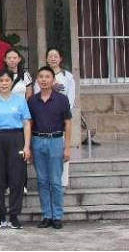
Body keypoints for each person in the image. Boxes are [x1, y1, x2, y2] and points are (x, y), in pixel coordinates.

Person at [0, 69, 32, 230]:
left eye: (7, 80)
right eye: (1, 80)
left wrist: (26, 146)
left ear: (12, 82)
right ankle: (0, 215)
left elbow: (26, 124)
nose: (4, 83)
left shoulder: (20, 101)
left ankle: (14, 215)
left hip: (16, 138)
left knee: (17, 177)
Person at [28, 66, 73, 230]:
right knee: (42, 181)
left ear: (53, 80)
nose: (44, 80)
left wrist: (67, 147)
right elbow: (29, 124)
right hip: (38, 141)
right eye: (41, 76)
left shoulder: (62, 99)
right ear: (37, 80)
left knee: (55, 181)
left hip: (55, 141)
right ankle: (47, 215)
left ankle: (57, 216)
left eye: (47, 77)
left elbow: (68, 124)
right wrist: (29, 147)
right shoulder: (32, 101)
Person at [47, 48, 76, 188]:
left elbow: (71, 97)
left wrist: (64, 113)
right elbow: (37, 93)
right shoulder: (43, 75)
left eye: (55, 56)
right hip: (46, 117)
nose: (53, 59)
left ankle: (63, 181)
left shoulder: (67, 76)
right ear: (46, 59)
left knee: (63, 147)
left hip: (62, 117)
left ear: (60, 58)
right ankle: (49, 180)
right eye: (50, 56)